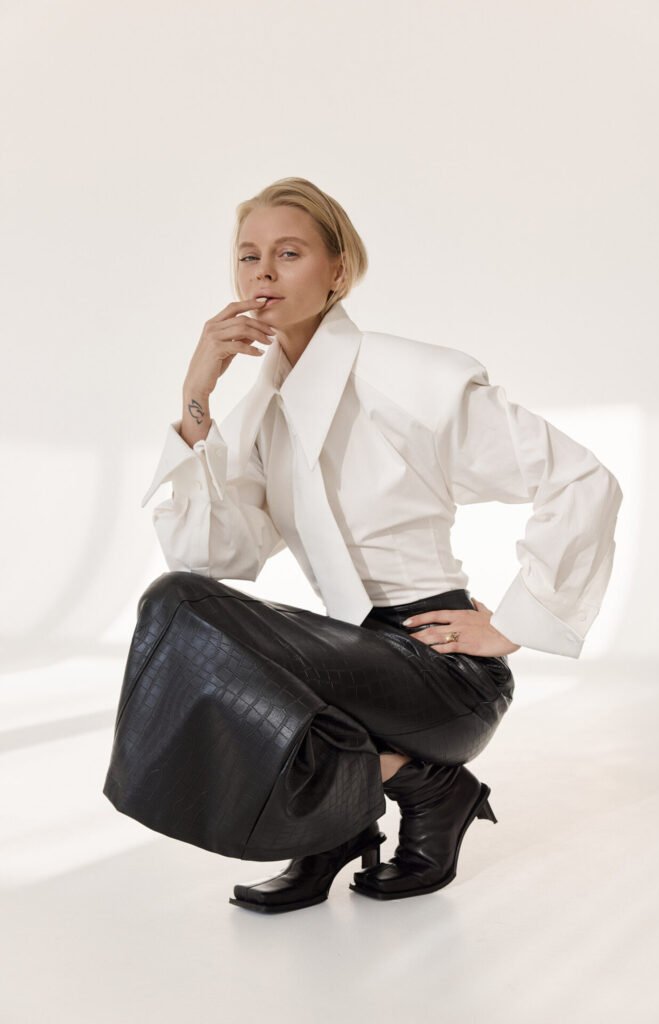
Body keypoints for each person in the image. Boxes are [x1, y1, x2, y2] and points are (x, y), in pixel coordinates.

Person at [103, 176, 623, 915]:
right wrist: (198, 397)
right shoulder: (260, 415)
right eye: (248, 256)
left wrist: (514, 623)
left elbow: (581, 479)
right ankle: (344, 816)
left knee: (179, 603)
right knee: (181, 607)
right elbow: (212, 560)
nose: (263, 272)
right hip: (348, 660)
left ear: (338, 271)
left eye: (289, 253)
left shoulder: (410, 376)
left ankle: (421, 788)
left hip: (440, 668)